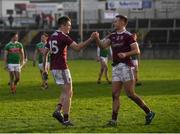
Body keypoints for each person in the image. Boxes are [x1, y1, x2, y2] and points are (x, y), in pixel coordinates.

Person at [94, 14, 155, 126]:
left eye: (116, 21)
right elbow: (102, 46)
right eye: (114, 21)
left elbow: (137, 50)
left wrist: (126, 54)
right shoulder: (112, 36)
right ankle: (113, 120)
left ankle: (149, 112)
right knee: (115, 94)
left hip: (126, 67)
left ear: (123, 22)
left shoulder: (128, 36)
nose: (114, 23)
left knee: (130, 94)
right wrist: (97, 38)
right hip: (116, 67)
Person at [43, 16, 95, 126]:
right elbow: (77, 48)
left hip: (54, 68)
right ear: (62, 25)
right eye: (69, 26)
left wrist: (44, 69)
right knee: (69, 92)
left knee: (65, 91)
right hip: (62, 68)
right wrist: (91, 39)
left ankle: (58, 110)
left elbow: (45, 52)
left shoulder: (52, 36)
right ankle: (66, 119)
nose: (70, 28)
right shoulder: (63, 36)